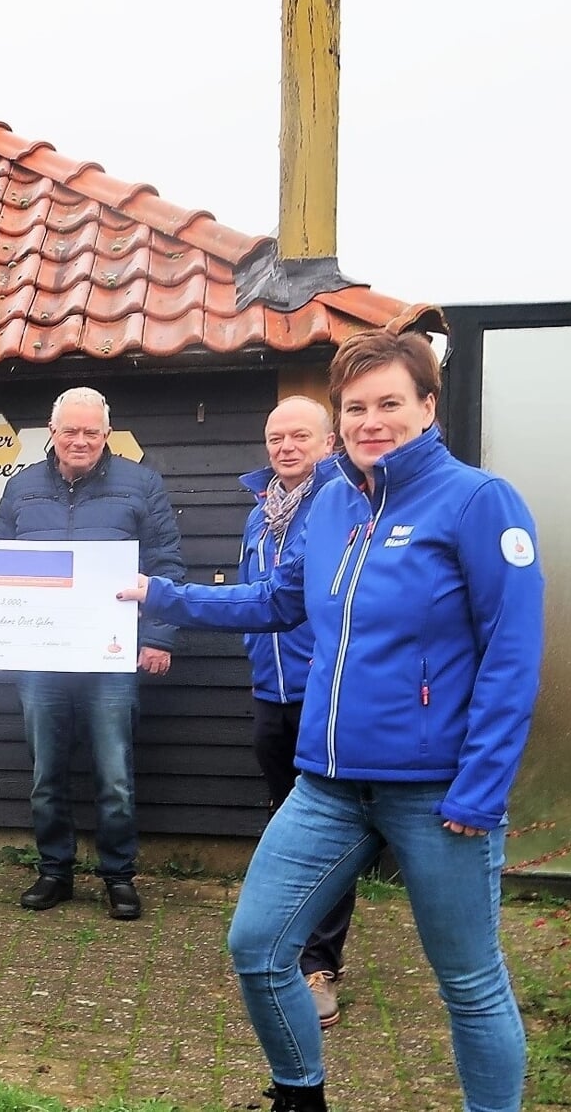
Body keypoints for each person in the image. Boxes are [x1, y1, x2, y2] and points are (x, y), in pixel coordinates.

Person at [120, 308, 545, 1112]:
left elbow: (513, 657)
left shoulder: (479, 502)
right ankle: (298, 1093)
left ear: (427, 407)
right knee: (258, 947)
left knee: (469, 983)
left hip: (438, 794)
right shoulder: (332, 507)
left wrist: (482, 790)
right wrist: (159, 593)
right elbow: (279, 602)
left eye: (389, 404)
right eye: (355, 408)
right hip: (327, 784)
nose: (370, 422)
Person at [0, 387, 183, 921]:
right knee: (45, 772)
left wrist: (160, 636)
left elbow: (166, 562)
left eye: (90, 432)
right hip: (40, 654)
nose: (79, 440)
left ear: (106, 434)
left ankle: (118, 876)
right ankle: (55, 871)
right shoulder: (21, 486)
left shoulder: (141, 484)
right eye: (69, 431)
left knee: (115, 773)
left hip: (112, 654)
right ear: (52, 433)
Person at [241, 396, 356, 1029]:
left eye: (299, 436)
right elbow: (258, 600)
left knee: (328, 829)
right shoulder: (260, 515)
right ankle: (285, 944)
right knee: (285, 824)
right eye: (275, 436)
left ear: (328, 441)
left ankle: (319, 964)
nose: (285, 447)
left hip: (324, 693)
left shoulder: (342, 505)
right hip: (269, 692)